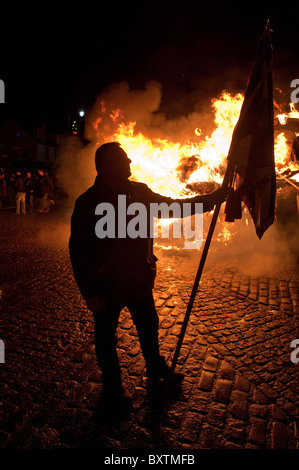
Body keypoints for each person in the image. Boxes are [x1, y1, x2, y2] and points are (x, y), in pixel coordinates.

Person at [69, 142, 227, 413]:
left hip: (137, 281)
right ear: (106, 166)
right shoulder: (88, 202)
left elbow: (175, 208)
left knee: (149, 327)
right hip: (105, 287)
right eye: (122, 158)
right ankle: (113, 389)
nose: (130, 160)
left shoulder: (139, 193)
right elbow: (78, 251)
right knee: (105, 340)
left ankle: (156, 371)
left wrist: (213, 199)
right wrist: (90, 292)